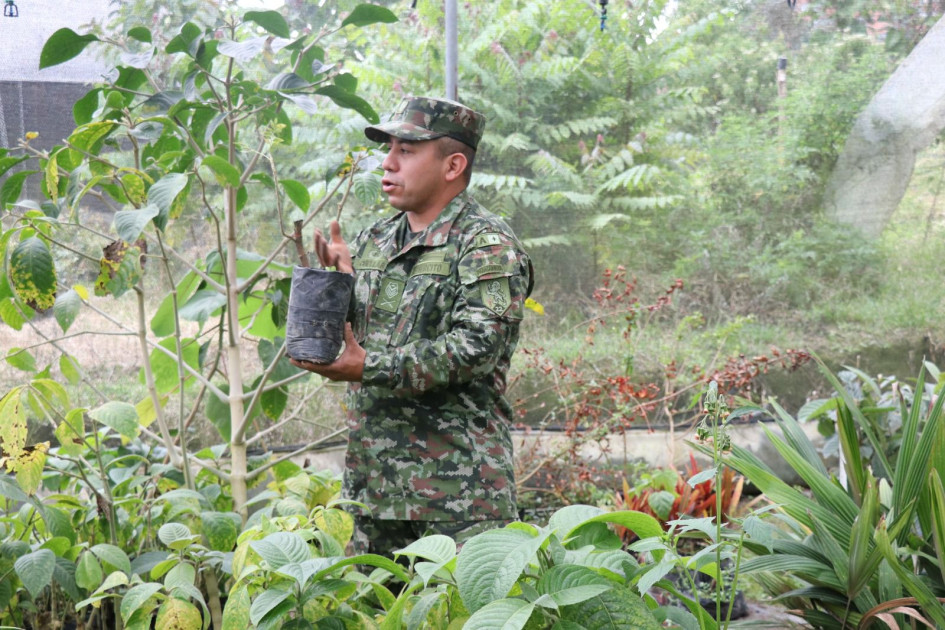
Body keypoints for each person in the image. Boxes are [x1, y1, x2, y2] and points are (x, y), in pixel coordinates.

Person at [289, 96, 534, 556]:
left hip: (460, 498)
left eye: (407, 150)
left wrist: (369, 366)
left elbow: (477, 347)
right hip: (375, 490)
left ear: (453, 165)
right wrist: (338, 289)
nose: (388, 162)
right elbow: (358, 338)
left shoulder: (487, 245)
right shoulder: (375, 241)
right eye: (389, 149)